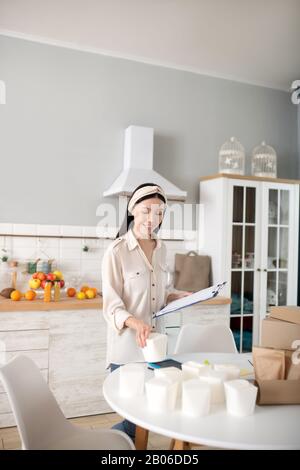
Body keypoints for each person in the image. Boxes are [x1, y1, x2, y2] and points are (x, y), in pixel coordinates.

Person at [102, 183, 191, 441]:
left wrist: (176, 296)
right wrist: (135, 323)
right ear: (132, 212)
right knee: (133, 422)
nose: (153, 219)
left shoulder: (162, 248)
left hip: (155, 347)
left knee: (151, 415)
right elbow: (111, 306)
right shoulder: (116, 252)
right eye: (146, 212)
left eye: (160, 213)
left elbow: (160, 293)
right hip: (127, 350)